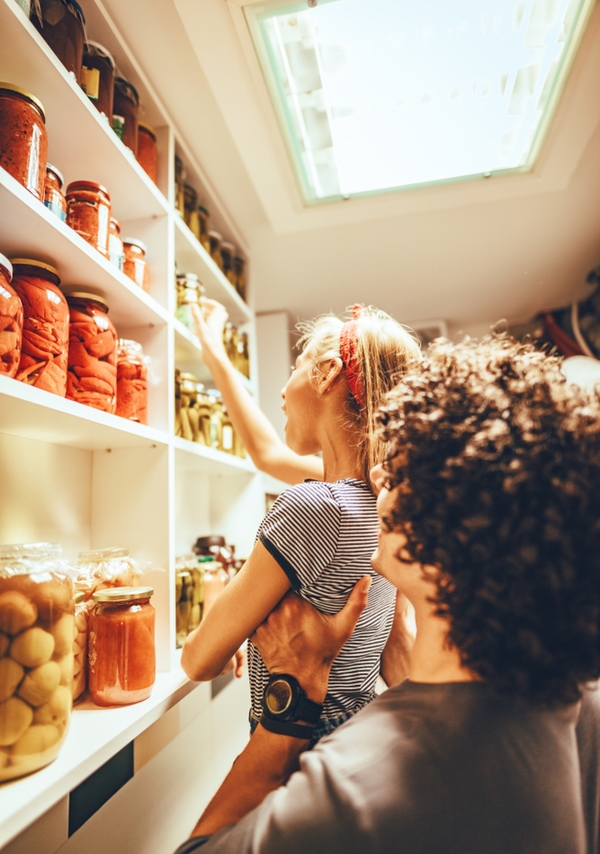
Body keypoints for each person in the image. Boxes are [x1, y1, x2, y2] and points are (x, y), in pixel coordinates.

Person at [174, 334, 600, 854]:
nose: (378, 473)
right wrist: (399, 632)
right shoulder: (568, 700)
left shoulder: (358, 789)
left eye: (406, 465)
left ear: (455, 531)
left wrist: (294, 692)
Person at [181, 302, 421, 740]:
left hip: (295, 752)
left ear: (328, 373)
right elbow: (267, 455)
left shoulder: (315, 506)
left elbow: (198, 661)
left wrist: (235, 618)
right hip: (354, 740)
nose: (283, 391)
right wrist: (213, 352)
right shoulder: (381, 499)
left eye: (296, 366)